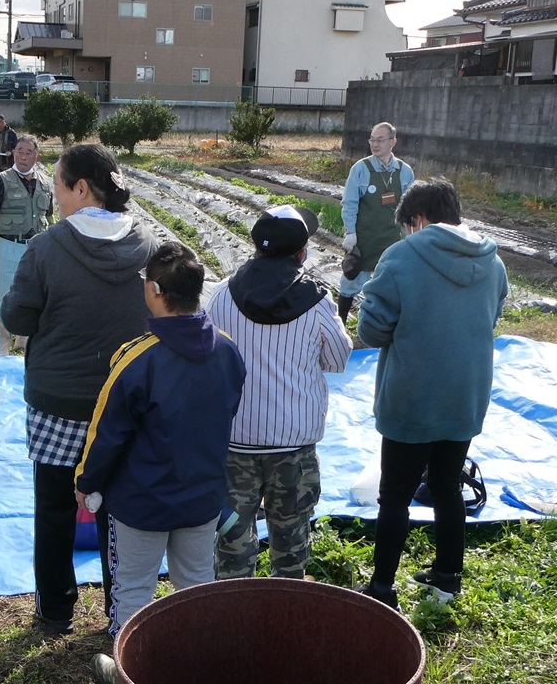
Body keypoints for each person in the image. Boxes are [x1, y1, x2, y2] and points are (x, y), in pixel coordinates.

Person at [1, 143, 159, 637]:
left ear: (82, 188)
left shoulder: (48, 247)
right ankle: (122, 613)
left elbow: (17, 317)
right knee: (120, 511)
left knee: (54, 509)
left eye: (59, 185)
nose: (56, 195)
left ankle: (55, 612)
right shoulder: (148, 245)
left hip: (58, 403)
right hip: (127, 405)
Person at [75, 242, 245, 682]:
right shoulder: (227, 350)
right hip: (202, 498)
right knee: (196, 585)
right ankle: (195, 668)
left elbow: (106, 433)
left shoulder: (136, 358)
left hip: (141, 502)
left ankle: (130, 670)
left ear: (154, 290)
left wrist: (86, 481)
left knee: (133, 588)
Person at [356, 179, 508, 610]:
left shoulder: (402, 256)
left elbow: (371, 331)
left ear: (418, 220)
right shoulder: (493, 262)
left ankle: (382, 589)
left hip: (413, 398)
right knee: (447, 486)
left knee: (395, 495)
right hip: (466, 395)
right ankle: (446, 580)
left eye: (407, 224)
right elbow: (492, 316)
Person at [207, 205, 352, 580]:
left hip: (235, 442)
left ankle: (233, 610)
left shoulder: (222, 295)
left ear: (256, 247)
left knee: (232, 542)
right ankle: (285, 607)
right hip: (293, 445)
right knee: (291, 542)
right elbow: (338, 359)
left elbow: (207, 357)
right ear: (302, 254)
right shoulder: (317, 303)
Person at [0, 135, 55, 355]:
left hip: (37, 248)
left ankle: (24, 338)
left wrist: (56, 242)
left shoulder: (45, 183)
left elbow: (49, 217)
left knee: (35, 291)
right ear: (13, 153)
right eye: (19, 151)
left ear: (36, 156)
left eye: (28, 152)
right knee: (3, 292)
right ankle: (3, 339)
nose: (23, 156)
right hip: (9, 245)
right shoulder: (0, 181)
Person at [338, 121, 415, 323]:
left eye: (380, 140)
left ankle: (380, 327)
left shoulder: (404, 171)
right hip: (364, 239)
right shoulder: (361, 169)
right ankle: (340, 324)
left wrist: (411, 238)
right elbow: (350, 203)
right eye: (372, 140)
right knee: (351, 282)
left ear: (393, 142)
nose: (375, 144)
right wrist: (350, 232)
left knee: (389, 285)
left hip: (391, 239)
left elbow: (408, 210)